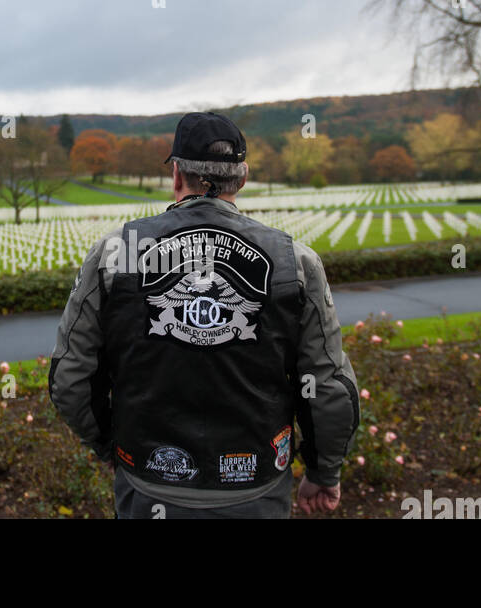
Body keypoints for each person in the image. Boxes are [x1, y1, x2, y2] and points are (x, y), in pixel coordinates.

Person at [48, 112, 359, 519]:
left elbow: (70, 379)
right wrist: (323, 471)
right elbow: (327, 386)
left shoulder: (115, 253)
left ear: (176, 175)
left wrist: (111, 447)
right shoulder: (295, 263)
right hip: (256, 488)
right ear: (242, 179)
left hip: (150, 487)